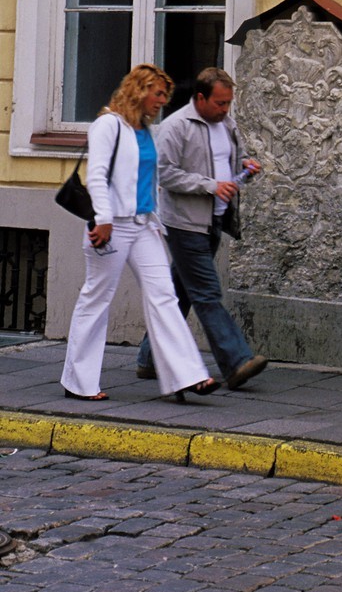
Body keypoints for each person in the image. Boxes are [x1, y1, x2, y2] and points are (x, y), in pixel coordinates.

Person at [60, 65, 217, 404]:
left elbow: (147, 181)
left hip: (143, 225)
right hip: (111, 225)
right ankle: (78, 380)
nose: (162, 101)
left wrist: (157, 220)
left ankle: (186, 375)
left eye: (165, 96)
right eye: (157, 94)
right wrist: (102, 219)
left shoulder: (145, 131)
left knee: (164, 296)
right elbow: (98, 176)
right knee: (97, 297)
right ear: (139, 90)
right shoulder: (108, 125)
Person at [135, 66, 268, 392]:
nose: (225, 110)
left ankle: (149, 358)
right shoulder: (175, 127)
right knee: (207, 293)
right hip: (184, 224)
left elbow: (227, 161)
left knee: (180, 293)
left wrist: (245, 166)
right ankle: (236, 361)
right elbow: (165, 175)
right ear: (199, 98)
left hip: (213, 222)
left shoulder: (226, 124)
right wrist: (211, 186)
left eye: (228, 104)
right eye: (220, 103)